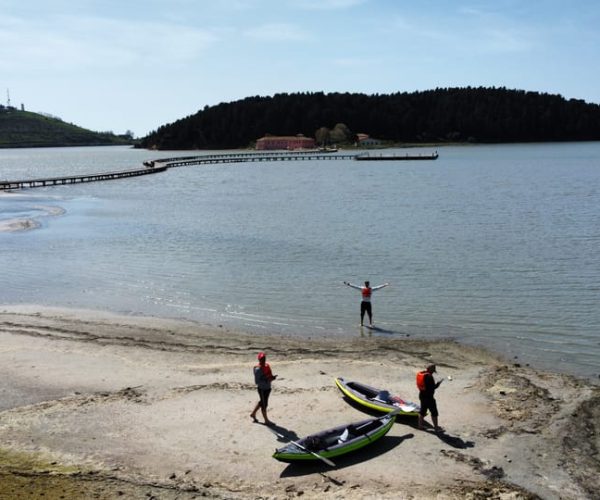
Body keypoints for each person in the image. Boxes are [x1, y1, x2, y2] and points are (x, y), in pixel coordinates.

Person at [250, 351, 277, 425]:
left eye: (264, 358)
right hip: (262, 389)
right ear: (259, 360)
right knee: (264, 405)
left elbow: (269, 375)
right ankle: (266, 421)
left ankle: (253, 414)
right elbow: (257, 382)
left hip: (268, 388)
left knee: (262, 402)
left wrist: (272, 378)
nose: (263, 359)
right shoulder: (258, 369)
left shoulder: (267, 365)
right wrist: (266, 380)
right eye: (262, 358)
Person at [416, 364, 443, 432]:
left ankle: (420, 426)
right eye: (433, 371)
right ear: (431, 370)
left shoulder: (422, 373)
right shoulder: (429, 377)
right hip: (429, 397)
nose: (433, 372)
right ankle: (436, 428)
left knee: (422, 411)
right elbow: (432, 388)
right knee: (434, 412)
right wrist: (438, 384)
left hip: (421, 395)